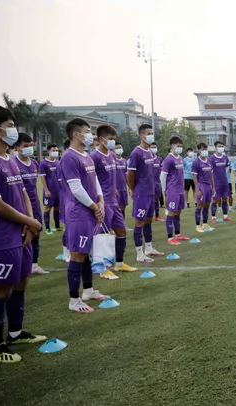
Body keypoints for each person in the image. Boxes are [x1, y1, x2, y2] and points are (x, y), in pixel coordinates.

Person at [0, 104, 46, 362]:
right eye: (9, 126)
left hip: (22, 235)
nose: (14, 131)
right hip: (1, 238)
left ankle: (16, 333)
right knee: (1, 290)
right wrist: (29, 221)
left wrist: (30, 223)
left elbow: (23, 194)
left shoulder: (10, 159)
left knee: (20, 283)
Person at [60, 118, 110, 313]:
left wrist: (101, 201)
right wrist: (94, 207)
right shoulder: (69, 157)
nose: (91, 135)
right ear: (76, 134)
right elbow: (76, 188)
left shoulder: (86, 156)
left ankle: (88, 290)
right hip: (78, 213)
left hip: (91, 210)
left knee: (88, 252)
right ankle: (74, 300)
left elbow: (94, 179)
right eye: (88, 131)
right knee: (77, 255)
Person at [91, 125, 136, 277]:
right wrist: (97, 200)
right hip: (103, 202)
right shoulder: (94, 157)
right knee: (103, 236)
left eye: (114, 139)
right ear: (101, 139)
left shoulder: (111, 155)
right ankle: (103, 270)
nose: (112, 142)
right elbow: (91, 180)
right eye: (110, 139)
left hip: (113, 201)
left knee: (121, 231)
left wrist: (115, 188)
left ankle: (119, 263)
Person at [127, 124, 164, 263]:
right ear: (142, 135)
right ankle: (139, 254)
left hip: (150, 192)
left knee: (148, 221)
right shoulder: (136, 152)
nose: (151, 135)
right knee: (139, 223)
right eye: (149, 133)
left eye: (152, 133)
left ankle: (149, 248)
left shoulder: (150, 152)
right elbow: (130, 174)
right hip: (141, 193)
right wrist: (133, 189)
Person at [14, 133, 48, 275]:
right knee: (22, 236)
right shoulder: (13, 163)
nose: (29, 149)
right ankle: (21, 265)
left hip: (35, 205)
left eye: (31, 145)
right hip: (20, 206)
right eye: (26, 146)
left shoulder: (34, 163)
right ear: (18, 148)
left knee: (36, 233)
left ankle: (34, 264)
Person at [161, 136, 190, 244]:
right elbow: (163, 176)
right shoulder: (169, 159)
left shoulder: (180, 158)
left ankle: (177, 234)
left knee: (178, 212)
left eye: (181, 146)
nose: (180, 148)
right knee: (171, 213)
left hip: (180, 190)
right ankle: (170, 238)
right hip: (172, 190)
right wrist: (164, 190)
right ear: (172, 146)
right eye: (178, 146)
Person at [191, 143, 215, 232]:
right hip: (201, 186)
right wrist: (197, 190)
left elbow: (211, 175)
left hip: (209, 186)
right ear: (198, 150)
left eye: (205, 148)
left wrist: (213, 187)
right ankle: (197, 226)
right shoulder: (196, 162)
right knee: (200, 205)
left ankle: (205, 224)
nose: (204, 150)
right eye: (202, 149)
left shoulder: (209, 161)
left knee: (207, 205)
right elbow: (194, 177)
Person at [39, 143, 61, 234]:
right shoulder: (43, 163)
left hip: (58, 191)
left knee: (57, 208)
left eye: (56, 150)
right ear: (48, 151)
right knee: (47, 208)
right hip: (49, 191)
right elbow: (42, 177)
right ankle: (47, 228)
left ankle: (57, 226)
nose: (55, 152)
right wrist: (46, 190)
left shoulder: (58, 162)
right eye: (53, 150)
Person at [209, 141, 233, 224]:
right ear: (215, 147)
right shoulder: (211, 158)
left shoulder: (225, 157)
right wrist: (212, 184)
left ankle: (225, 216)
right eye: (219, 146)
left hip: (225, 182)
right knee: (215, 200)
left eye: (222, 146)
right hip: (216, 182)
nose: (221, 148)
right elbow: (210, 172)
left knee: (225, 199)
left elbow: (227, 168)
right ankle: (213, 217)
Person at [59, 138, 71, 263]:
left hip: (74, 200)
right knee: (68, 227)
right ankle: (65, 252)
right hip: (67, 200)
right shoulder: (64, 160)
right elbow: (62, 183)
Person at [114, 142, 128, 219]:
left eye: (120, 148)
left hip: (123, 188)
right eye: (117, 148)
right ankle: (115, 226)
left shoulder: (124, 161)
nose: (119, 149)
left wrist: (130, 188)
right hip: (116, 189)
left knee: (123, 207)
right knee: (116, 208)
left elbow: (126, 175)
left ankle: (123, 225)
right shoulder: (112, 160)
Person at [151, 142, 164, 222]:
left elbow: (162, 170)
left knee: (156, 200)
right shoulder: (146, 158)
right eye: (152, 147)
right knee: (148, 200)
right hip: (148, 184)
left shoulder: (159, 159)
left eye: (155, 147)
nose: (153, 149)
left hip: (157, 183)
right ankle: (148, 216)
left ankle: (157, 216)